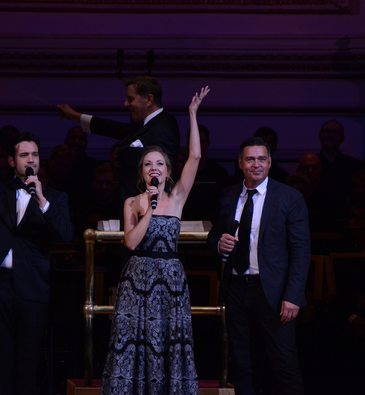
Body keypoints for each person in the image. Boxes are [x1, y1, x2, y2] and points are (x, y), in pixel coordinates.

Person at [0, 100, 73, 395]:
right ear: (12, 161)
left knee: (27, 361)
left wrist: (42, 201)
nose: (30, 160)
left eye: (34, 155)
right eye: (23, 155)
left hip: (32, 286)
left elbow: (67, 235)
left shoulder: (55, 198)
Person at [101, 86, 210, 394]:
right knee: (133, 344)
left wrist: (192, 114)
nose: (154, 168)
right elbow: (132, 243)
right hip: (138, 280)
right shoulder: (133, 203)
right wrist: (148, 208)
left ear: (167, 171)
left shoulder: (177, 199)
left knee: (167, 346)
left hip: (170, 282)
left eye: (159, 164)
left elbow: (196, 156)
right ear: (142, 172)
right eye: (148, 164)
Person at [207, 137, 310, 395]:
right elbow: (212, 237)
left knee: (284, 365)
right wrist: (220, 245)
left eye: (261, 159)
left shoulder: (289, 197)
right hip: (236, 289)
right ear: (240, 163)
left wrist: (293, 296)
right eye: (250, 159)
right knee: (241, 364)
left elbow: (301, 250)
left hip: (273, 293)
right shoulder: (229, 196)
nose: (256, 164)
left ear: (270, 162)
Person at [56, 76, 181, 202]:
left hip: (145, 210)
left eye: (130, 99)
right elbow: (113, 128)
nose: (126, 104)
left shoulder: (164, 127)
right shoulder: (146, 124)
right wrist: (75, 116)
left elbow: (162, 175)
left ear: (149, 100)